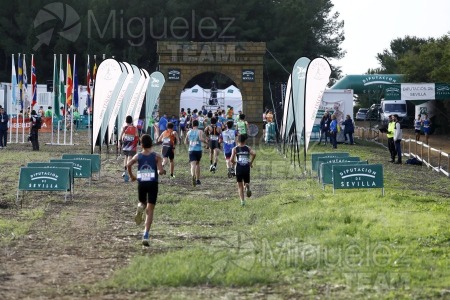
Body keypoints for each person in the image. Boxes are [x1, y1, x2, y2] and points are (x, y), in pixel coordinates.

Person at [127, 134, 166, 246]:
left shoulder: (138, 156)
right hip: (153, 183)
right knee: (150, 210)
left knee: (143, 203)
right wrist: (162, 172)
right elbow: (160, 170)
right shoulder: (156, 156)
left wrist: (132, 176)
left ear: (141, 144)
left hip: (142, 183)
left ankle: (140, 207)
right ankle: (146, 234)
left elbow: (128, 165)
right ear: (151, 144)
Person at [230, 134, 256, 206]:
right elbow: (254, 154)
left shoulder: (235, 149)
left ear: (237, 140)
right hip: (246, 167)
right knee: (246, 182)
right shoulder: (248, 148)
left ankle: (242, 201)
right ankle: (247, 185)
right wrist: (250, 162)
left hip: (239, 167)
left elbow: (231, 159)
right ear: (245, 141)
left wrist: (235, 163)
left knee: (239, 185)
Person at [185, 119, 206, 186]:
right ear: (198, 124)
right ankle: (197, 179)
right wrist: (206, 142)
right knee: (197, 164)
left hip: (191, 150)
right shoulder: (200, 131)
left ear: (192, 124)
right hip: (198, 150)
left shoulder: (189, 132)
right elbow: (201, 139)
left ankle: (193, 177)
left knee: (192, 165)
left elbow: (185, 142)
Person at [120, 115, 139, 180]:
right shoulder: (135, 128)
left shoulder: (125, 127)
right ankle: (127, 172)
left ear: (126, 121)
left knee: (126, 157)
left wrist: (120, 142)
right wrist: (136, 142)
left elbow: (121, 135)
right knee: (129, 158)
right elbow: (136, 136)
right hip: (132, 145)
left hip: (125, 144)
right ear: (131, 121)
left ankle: (125, 171)